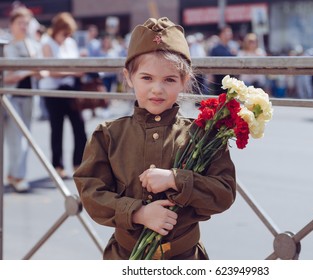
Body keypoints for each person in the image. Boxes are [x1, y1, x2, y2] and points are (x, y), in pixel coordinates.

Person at [73, 17, 236, 260]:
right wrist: (136, 213)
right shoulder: (108, 135)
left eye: (169, 79)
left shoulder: (203, 136)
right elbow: (91, 192)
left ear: (185, 80)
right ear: (128, 77)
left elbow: (223, 193)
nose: (157, 89)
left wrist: (176, 179)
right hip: (125, 257)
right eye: (146, 78)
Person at [38, 12, 87, 179]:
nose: (67, 36)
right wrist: (73, 73)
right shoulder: (47, 43)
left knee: (79, 127)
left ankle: (78, 163)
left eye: (69, 33)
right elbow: (50, 71)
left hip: (69, 89)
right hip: (52, 92)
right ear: (57, 29)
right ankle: (57, 165)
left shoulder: (70, 43)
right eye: (65, 33)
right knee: (56, 129)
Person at [3, 6, 42, 192]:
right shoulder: (6, 47)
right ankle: (18, 177)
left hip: (29, 96)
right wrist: (28, 69)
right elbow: (7, 77)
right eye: (20, 23)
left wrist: (38, 70)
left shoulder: (34, 45)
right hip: (11, 97)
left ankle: (14, 174)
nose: (24, 27)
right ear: (12, 24)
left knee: (26, 138)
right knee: (17, 140)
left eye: (26, 23)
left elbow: (42, 73)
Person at [209, 25, 236, 95]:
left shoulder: (232, 48)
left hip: (230, 79)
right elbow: (211, 64)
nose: (229, 34)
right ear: (221, 34)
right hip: (219, 80)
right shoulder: (215, 49)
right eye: (227, 32)